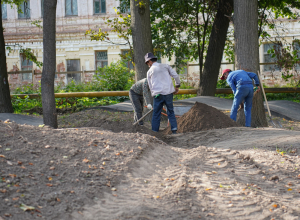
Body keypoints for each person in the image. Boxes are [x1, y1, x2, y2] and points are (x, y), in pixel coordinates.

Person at [145, 52, 180, 134]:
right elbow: (176, 76)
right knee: (170, 112)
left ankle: (154, 132)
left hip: (158, 95)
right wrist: (177, 86)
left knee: (156, 114)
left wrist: (153, 94)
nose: (148, 65)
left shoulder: (149, 71)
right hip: (168, 93)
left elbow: (150, 86)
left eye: (147, 63)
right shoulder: (165, 66)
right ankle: (174, 130)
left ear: (150, 61)